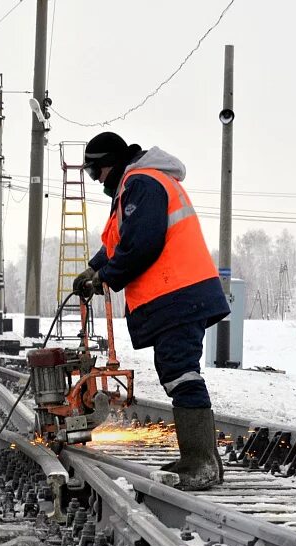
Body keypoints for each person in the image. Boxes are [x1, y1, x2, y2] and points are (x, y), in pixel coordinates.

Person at [74, 132, 230, 490]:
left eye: (96, 173)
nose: (98, 182)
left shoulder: (141, 182)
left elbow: (143, 243)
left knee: (180, 372)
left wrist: (106, 277)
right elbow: (122, 242)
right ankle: (202, 460)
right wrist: (94, 268)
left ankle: (201, 462)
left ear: (109, 165)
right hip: (177, 294)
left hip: (179, 292)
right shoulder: (140, 183)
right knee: (176, 370)